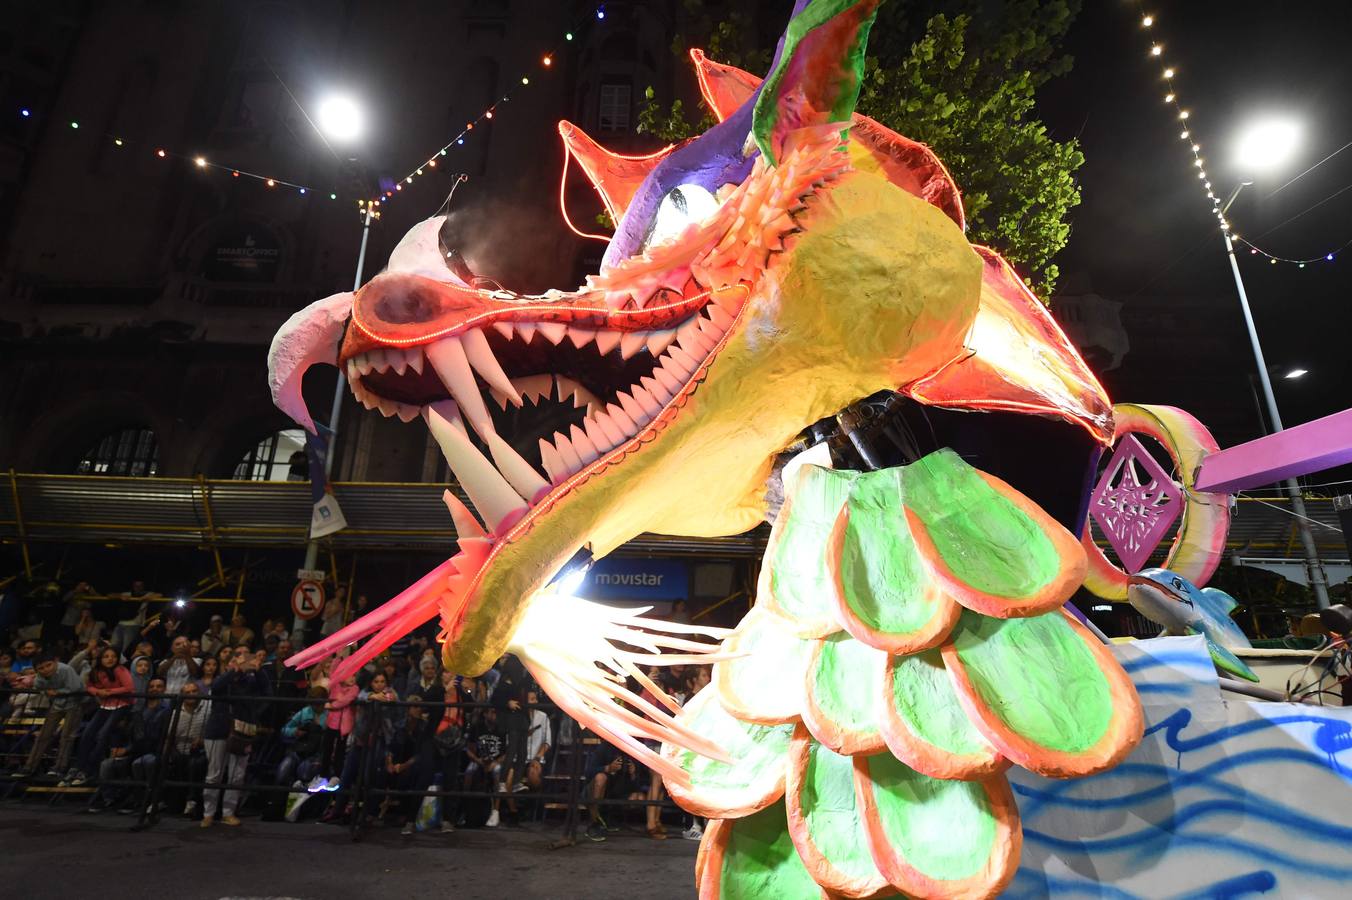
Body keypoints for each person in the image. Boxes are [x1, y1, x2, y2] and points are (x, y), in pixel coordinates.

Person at [201, 645, 270, 827]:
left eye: (244, 658)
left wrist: (259, 671)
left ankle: (228, 812)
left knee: (236, 774)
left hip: (243, 729)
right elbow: (216, 686)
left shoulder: (251, 681)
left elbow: (267, 694)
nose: (241, 661)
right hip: (218, 729)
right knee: (214, 774)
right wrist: (235, 670)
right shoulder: (224, 678)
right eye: (236, 658)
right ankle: (208, 813)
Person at [67, 646, 133, 786]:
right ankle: (78, 767)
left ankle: (88, 770)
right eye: (106, 656)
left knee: (102, 735)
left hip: (121, 705)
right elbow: (89, 686)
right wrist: (97, 691)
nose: (110, 659)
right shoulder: (96, 671)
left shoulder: (120, 669)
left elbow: (129, 687)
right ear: (101, 659)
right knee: (87, 734)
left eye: (113, 656)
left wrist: (109, 692)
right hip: (105, 706)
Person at [12, 653, 84, 778]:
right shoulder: (40, 677)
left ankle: (59, 768)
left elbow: (77, 687)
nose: (46, 669)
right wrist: (47, 691)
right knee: (43, 736)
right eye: (41, 668)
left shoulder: (65, 669)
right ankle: (29, 767)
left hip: (75, 704)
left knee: (67, 737)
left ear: (55, 662)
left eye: (48, 665)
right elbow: (39, 686)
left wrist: (57, 692)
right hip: (57, 705)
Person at [385, 693, 436, 835]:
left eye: (419, 707)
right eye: (414, 706)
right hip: (399, 762)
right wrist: (389, 763)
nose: (417, 710)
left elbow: (421, 755)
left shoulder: (425, 728)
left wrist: (403, 766)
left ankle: (408, 816)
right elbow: (391, 748)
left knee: (413, 774)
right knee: (379, 772)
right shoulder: (400, 726)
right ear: (408, 709)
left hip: (414, 765)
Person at [584, 746, 644, 842]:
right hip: (596, 790)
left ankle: (609, 818)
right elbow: (588, 772)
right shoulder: (604, 748)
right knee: (601, 777)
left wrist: (633, 773)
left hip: (618, 791)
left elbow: (637, 786)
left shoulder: (632, 750)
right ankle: (594, 823)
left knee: (639, 797)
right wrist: (608, 768)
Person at [167, 680, 209, 817]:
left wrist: (203, 741)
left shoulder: (208, 708)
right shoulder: (175, 713)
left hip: (203, 751)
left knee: (195, 763)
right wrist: (172, 752)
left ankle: (192, 800)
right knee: (173, 761)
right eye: (187, 692)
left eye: (194, 691)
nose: (191, 695)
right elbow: (169, 738)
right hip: (180, 751)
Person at [464, 704, 506, 827]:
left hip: (495, 761)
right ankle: (465, 808)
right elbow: (469, 750)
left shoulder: (501, 729)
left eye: (495, 713)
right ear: (485, 714)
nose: (494, 715)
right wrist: (478, 760)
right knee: (469, 772)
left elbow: (505, 753)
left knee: (498, 773)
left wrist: (495, 763)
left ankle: (495, 811)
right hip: (478, 760)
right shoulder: (477, 728)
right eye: (492, 712)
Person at [522, 688, 552, 793]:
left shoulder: (543, 717)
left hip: (538, 758)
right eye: (532, 699)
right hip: (520, 759)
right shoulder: (518, 717)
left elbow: (547, 742)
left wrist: (537, 758)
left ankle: (535, 801)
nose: (535, 702)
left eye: (535, 699)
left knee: (533, 772)